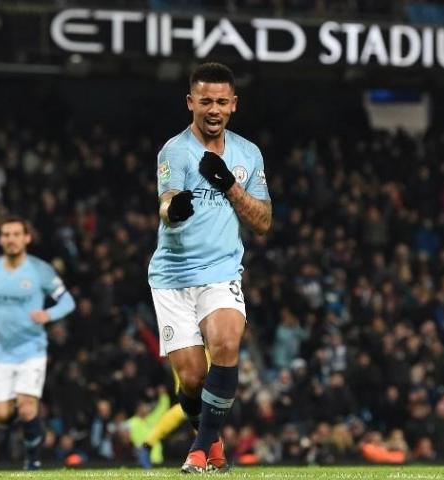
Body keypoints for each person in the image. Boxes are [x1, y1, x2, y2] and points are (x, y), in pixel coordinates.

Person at [148, 62, 272, 473]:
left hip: (221, 272)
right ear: (191, 103)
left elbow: (263, 221)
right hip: (173, 277)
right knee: (192, 380)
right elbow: (167, 205)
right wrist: (177, 208)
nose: (213, 108)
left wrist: (230, 185)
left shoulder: (248, 154)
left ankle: (199, 452)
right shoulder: (175, 150)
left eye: (221, 101)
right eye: (205, 101)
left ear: (234, 104)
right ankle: (213, 444)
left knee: (226, 341)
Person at [0, 216, 76, 470]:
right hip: (1, 353)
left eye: (16, 234)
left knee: (26, 406)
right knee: (0, 415)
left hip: (32, 349)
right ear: (0, 239)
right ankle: (31, 430)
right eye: (6, 235)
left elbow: (67, 301)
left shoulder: (40, 270)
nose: (11, 239)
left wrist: (48, 314)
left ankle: (32, 460)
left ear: (26, 238)